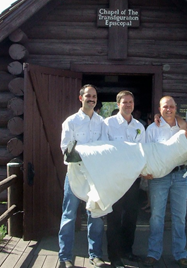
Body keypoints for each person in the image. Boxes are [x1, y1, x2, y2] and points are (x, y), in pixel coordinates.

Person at [143, 102, 187, 268]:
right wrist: (160, 116)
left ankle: (180, 254)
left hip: (180, 177)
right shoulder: (183, 127)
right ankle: (153, 253)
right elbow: (173, 115)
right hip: (160, 175)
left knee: (179, 217)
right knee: (157, 216)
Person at [58, 84, 105, 268]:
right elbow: (65, 149)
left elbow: (105, 146)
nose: (91, 99)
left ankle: (95, 255)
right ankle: (65, 257)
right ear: (81, 98)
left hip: (95, 176)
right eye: (88, 96)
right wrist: (86, 154)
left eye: (94, 96)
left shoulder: (101, 122)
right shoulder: (70, 122)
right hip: (75, 174)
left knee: (96, 215)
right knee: (69, 216)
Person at [102, 90, 146, 268]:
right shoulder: (108, 124)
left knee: (131, 216)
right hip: (114, 177)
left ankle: (127, 251)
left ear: (133, 105)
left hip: (133, 178)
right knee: (114, 217)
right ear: (117, 104)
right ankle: (114, 256)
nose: (128, 105)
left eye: (130, 102)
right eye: (124, 102)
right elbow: (104, 149)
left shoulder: (139, 126)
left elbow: (142, 152)